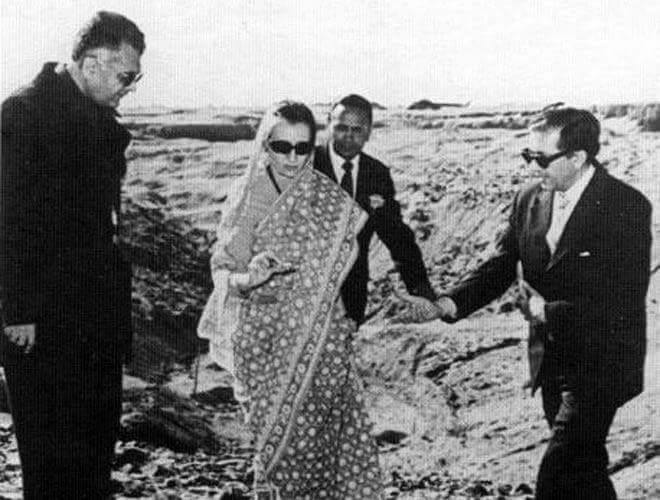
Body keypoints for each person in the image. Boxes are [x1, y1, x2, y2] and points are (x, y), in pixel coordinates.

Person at [433, 108, 651, 499]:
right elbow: (503, 264)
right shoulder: (528, 198)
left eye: (541, 159)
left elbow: (623, 298)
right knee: (584, 471)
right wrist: (451, 303)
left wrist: (545, 312)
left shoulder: (627, 207)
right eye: (527, 156)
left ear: (577, 157)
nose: (532, 167)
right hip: (551, 360)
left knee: (556, 473)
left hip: (603, 362)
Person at [198, 101, 382, 498]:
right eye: (282, 147)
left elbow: (344, 258)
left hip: (324, 342)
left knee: (330, 443)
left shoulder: (322, 192)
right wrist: (251, 277)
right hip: (264, 345)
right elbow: (223, 270)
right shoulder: (248, 196)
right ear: (265, 145)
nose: (293, 158)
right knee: (279, 450)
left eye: (303, 148)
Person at [0, 11, 145, 499]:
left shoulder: (98, 121)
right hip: (41, 325)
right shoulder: (23, 115)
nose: (130, 87)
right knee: (52, 466)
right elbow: (9, 223)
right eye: (127, 75)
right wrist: (18, 311)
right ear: (91, 62)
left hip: (95, 321)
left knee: (93, 458)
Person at [313, 94, 436, 325]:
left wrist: (421, 290)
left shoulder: (377, 174)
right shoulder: (308, 165)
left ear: (369, 131)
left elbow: (397, 237)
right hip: (302, 291)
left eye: (357, 130)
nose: (348, 136)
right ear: (329, 123)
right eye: (341, 127)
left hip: (352, 296)